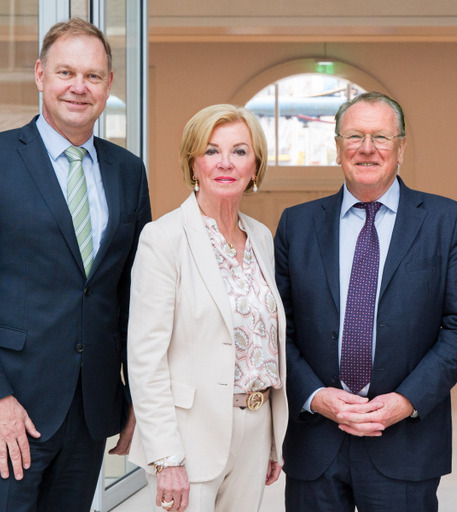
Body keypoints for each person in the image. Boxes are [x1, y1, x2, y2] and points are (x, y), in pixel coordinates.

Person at [0, 18, 151, 512]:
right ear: (39, 75)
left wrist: (138, 397)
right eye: (65, 72)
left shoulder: (127, 172)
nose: (79, 86)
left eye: (93, 76)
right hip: (6, 410)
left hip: (88, 410)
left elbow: (133, 298)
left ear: (108, 85)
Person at [274, 91, 457, 511]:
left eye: (380, 138)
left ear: (401, 147)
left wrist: (407, 401)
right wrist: (316, 396)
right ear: (337, 148)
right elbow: (279, 329)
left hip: (405, 441)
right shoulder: (296, 225)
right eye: (354, 136)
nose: (366, 148)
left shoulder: (447, 221)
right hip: (316, 440)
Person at [126, 104, 288, 512]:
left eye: (239, 151)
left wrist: (271, 439)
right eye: (211, 151)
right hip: (188, 436)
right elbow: (145, 359)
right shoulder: (162, 238)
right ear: (193, 163)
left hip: (255, 426)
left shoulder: (262, 237)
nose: (225, 163)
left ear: (255, 165)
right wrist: (166, 456)